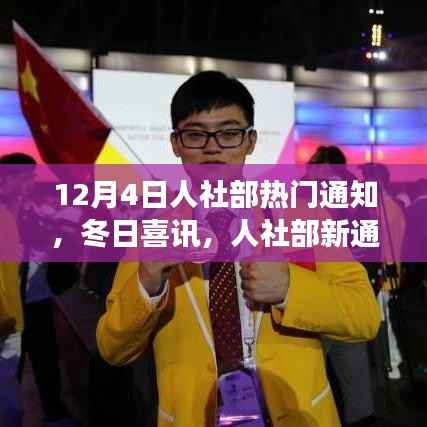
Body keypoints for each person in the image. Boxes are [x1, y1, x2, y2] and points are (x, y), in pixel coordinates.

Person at [96, 71, 381, 427]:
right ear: (175, 144)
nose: (212, 147)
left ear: (250, 141)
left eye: (229, 133)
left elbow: (365, 316)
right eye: (195, 134)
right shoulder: (153, 230)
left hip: (295, 414)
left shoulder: (299, 215)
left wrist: (290, 289)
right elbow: (113, 348)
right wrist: (147, 283)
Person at [308, 146, 378, 427]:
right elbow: (370, 240)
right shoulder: (357, 192)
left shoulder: (307, 192)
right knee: (354, 373)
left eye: (315, 164)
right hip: (349, 287)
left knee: (313, 372)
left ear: (325, 165)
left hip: (317, 290)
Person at [0, 152, 35, 427]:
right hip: (5, 321)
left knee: (9, 388)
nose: (29, 184)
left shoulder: (14, 217)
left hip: (12, 318)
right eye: (23, 178)